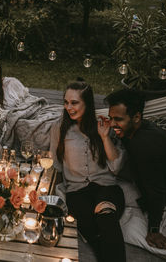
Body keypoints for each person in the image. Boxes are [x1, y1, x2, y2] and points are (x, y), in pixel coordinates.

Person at [49, 80, 126, 262]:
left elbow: (115, 168)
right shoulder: (59, 128)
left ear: (87, 103)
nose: (69, 107)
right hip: (77, 191)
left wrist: (105, 138)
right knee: (92, 231)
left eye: (74, 102)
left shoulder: (103, 126)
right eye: (66, 102)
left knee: (106, 218)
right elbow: (55, 163)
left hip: (105, 187)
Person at [105, 89, 166, 250]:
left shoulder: (144, 146)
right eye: (110, 118)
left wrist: (154, 230)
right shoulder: (139, 128)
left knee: (102, 187)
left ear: (136, 117)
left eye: (118, 119)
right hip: (146, 178)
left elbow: (157, 191)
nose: (112, 124)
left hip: (162, 197)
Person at [0, 53, 62, 150]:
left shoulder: (11, 83)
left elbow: (29, 100)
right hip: (18, 122)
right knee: (40, 127)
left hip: (34, 111)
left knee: (59, 117)